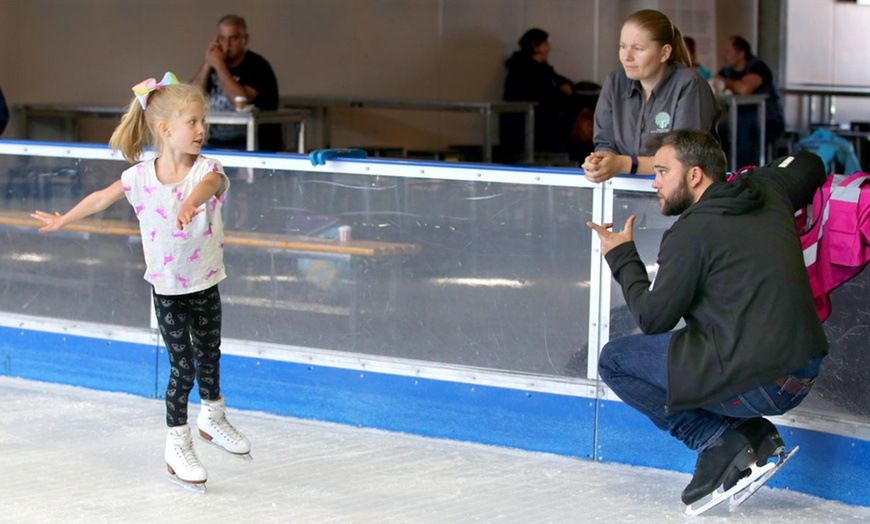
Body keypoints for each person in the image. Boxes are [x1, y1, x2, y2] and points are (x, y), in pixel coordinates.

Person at [31, 73, 251, 491]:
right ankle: (177, 443)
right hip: (167, 290)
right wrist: (63, 219)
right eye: (193, 122)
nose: (202, 130)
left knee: (210, 354)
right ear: (166, 129)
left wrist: (190, 201)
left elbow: (211, 185)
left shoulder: (208, 169)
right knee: (182, 367)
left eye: (203, 121)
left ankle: (213, 416)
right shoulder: (139, 178)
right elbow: (101, 197)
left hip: (204, 282)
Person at [586, 128, 828, 509]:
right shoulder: (767, 189)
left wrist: (621, 255)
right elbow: (811, 162)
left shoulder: (690, 233)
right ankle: (746, 431)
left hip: (762, 380)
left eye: (663, 171)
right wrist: (762, 175)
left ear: (695, 175)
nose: (655, 183)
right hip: (803, 371)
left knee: (613, 361)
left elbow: (653, 319)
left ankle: (714, 438)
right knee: (699, 337)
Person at [582, 9, 720, 183]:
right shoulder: (615, 82)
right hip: (626, 189)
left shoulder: (689, 83)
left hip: (682, 195)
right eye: (623, 46)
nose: (627, 56)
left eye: (638, 49)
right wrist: (600, 162)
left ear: (665, 53)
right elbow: (605, 143)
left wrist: (624, 164)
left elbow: (683, 158)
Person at [192, 14, 281, 152]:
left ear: (245, 39)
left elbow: (240, 99)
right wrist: (207, 63)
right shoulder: (213, 65)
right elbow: (191, 97)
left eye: (233, 38)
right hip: (217, 143)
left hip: (253, 145)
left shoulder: (257, 66)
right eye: (222, 38)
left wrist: (220, 65)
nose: (226, 45)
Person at [500, 28, 576, 160]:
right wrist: (560, 93)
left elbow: (561, 82)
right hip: (529, 132)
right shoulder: (522, 70)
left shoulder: (544, 69)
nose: (549, 48)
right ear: (535, 46)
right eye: (545, 44)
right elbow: (542, 96)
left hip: (542, 129)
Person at [715, 35, 785, 169]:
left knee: (743, 130)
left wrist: (726, 83)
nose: (725, 56)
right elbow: (714, 82)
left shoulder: (758, 66)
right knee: (716, 132)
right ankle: (722, 174)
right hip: (739, 119)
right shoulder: (727, 70)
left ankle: (746, 175)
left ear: (741, 53)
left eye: (729, 52)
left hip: (768, 120)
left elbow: (744, 89)